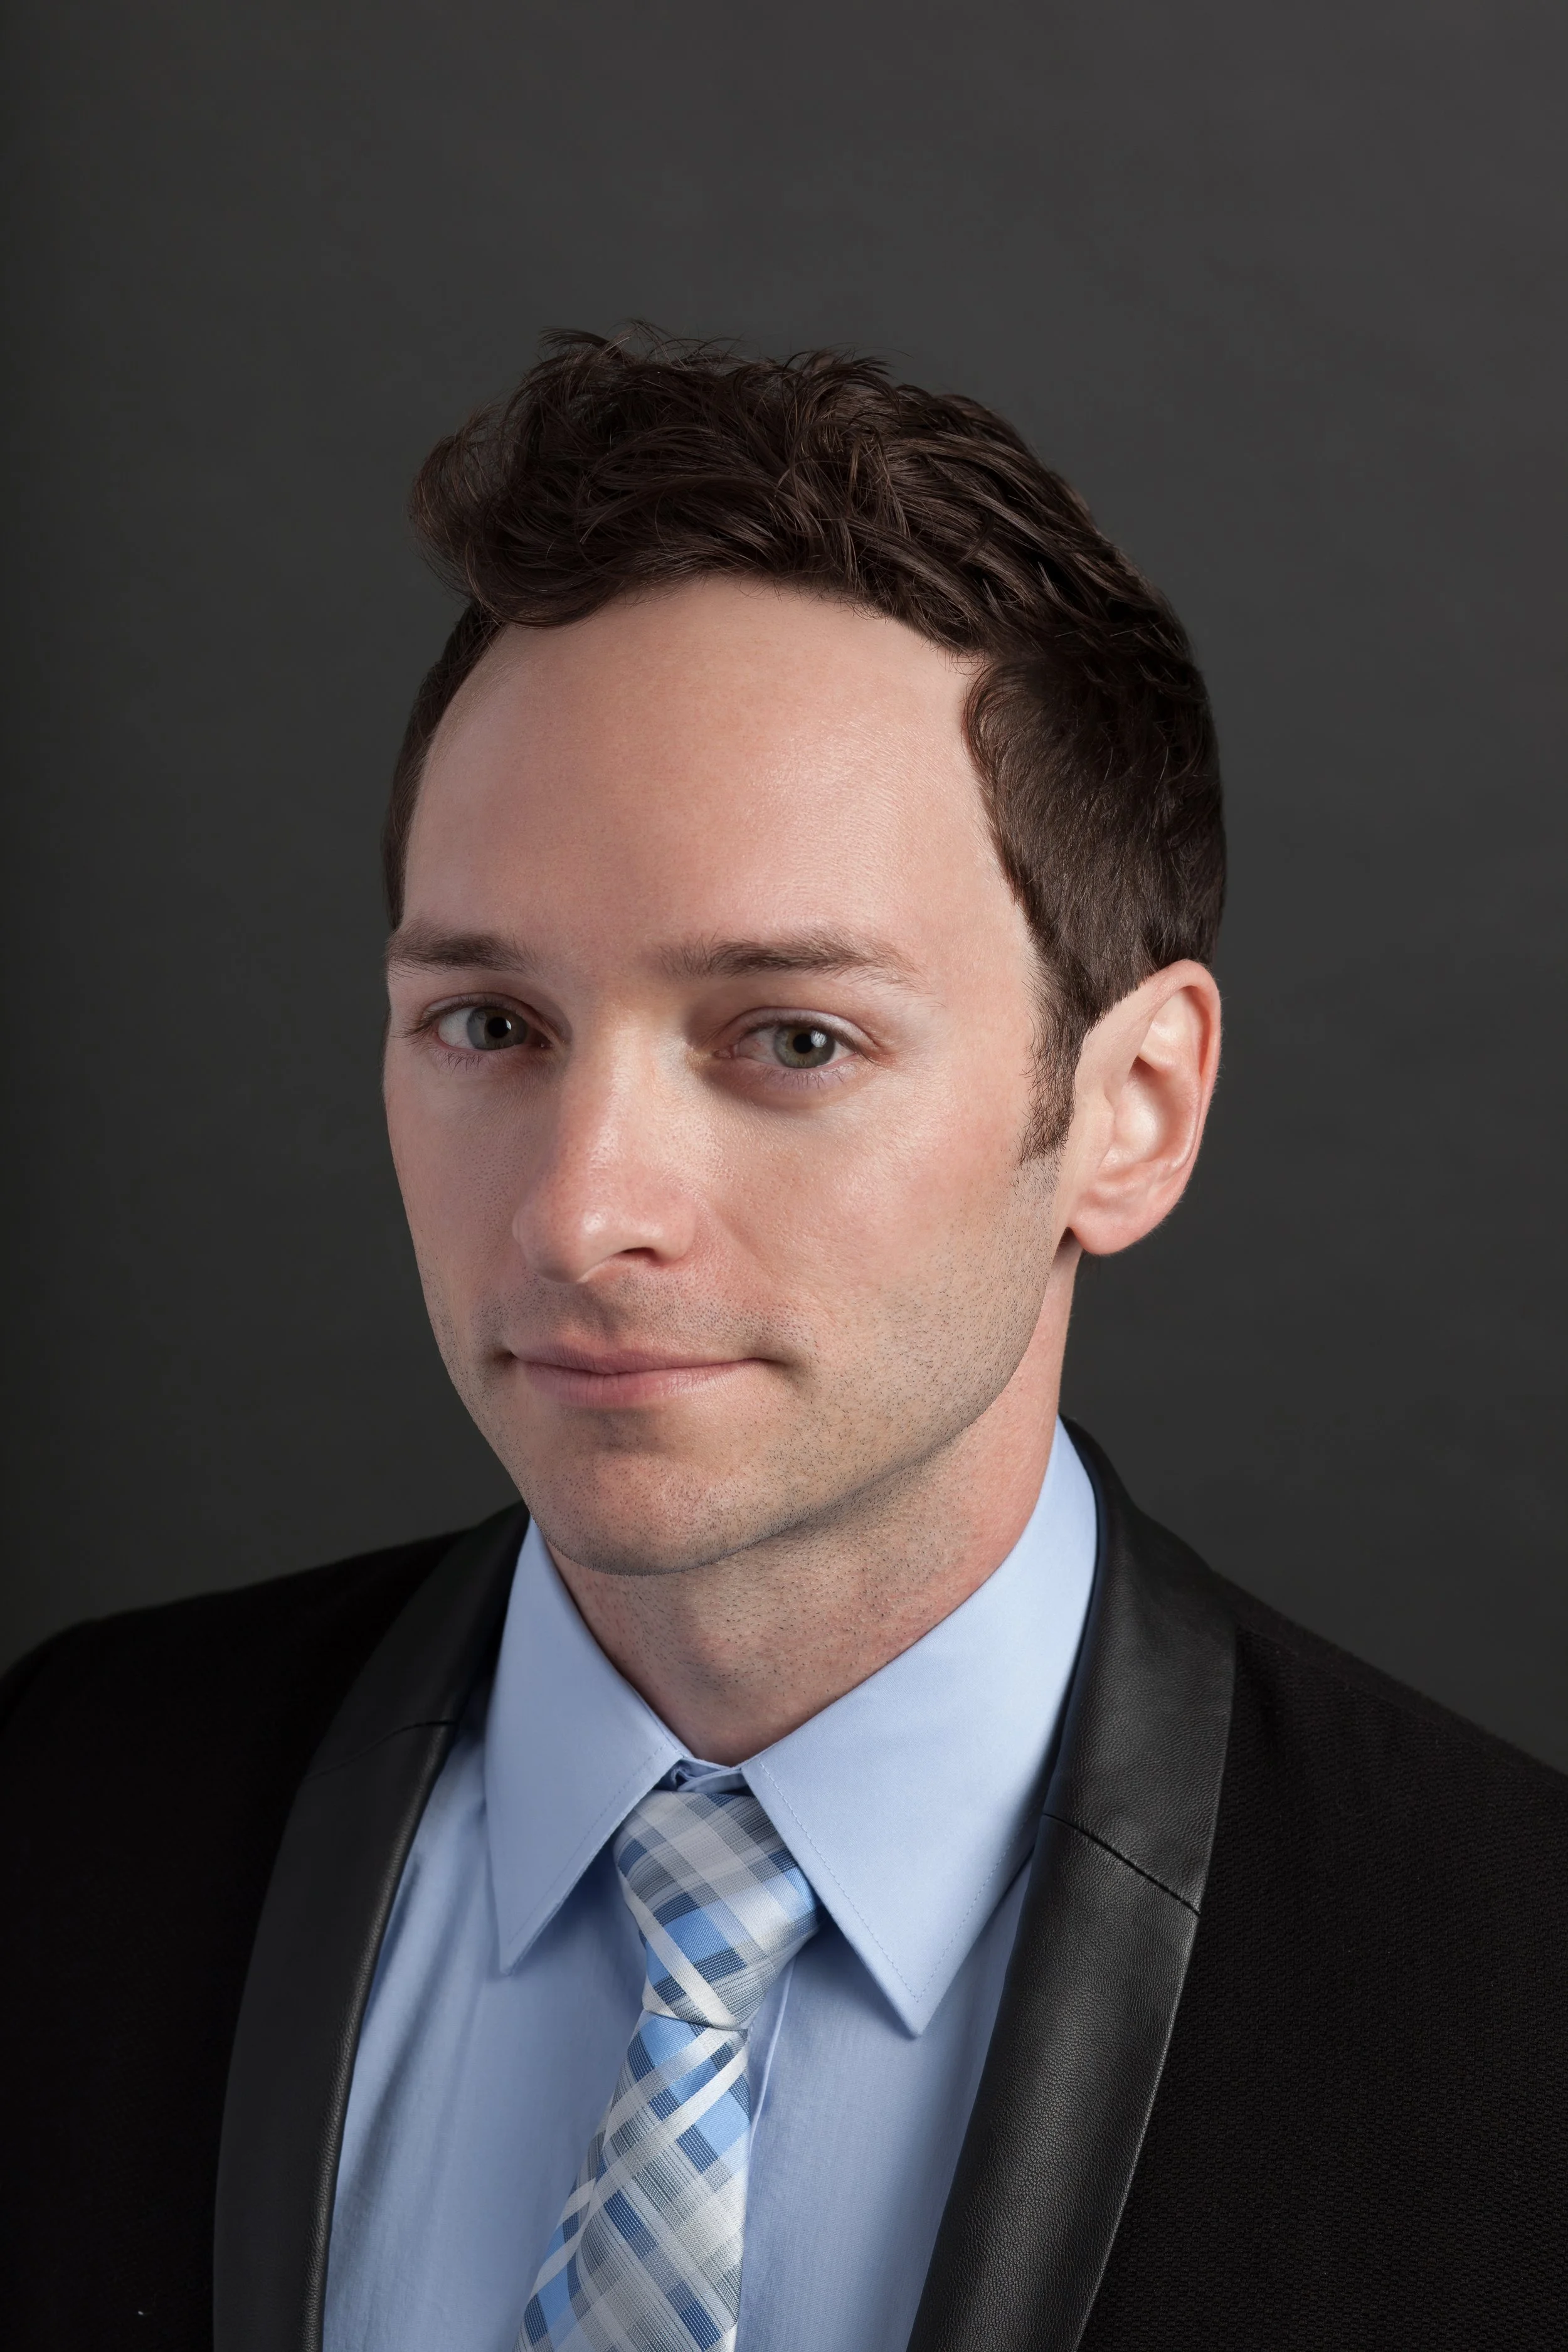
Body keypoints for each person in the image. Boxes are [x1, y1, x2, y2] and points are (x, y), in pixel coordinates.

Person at [1, 332, 1563, 2352]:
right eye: (490, 1023)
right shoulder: (64, 1813)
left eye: (793, 1038)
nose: (580, 1211)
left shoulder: (1509, 2011)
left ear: (1130, 1109)